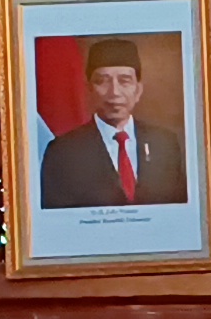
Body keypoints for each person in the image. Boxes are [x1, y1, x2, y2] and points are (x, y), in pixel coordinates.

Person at [37, 35, 190, 209]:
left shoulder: (165, 143)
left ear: (138, 90)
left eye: (124, 81)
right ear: (89, 89)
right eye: (103, 81)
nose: (114, 92)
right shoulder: (63, 152)